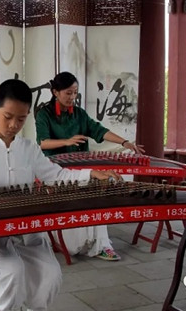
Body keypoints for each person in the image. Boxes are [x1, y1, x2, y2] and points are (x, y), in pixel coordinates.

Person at [0, 79, 122, 311]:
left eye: (21, 119)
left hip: (27, 227)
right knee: (14, 270)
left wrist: (91, 174)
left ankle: (34, 308)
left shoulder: (28, 148)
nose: (14, 124)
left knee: (51, 274)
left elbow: (56, 175)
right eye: (8, 117)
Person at [35, 72, 145, 261]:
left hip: (82, 168)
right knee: (74, 205)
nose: (72, 97)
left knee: (96, 199)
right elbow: (43, 143)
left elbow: (99, 130)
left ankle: (102, 245)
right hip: (57, 171)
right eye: (68, 93)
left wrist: (125, 142)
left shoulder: (79, 114)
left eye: (75, 93)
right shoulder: (44, 114)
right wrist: (67, 141)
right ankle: (70, 243)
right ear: (55, 92)